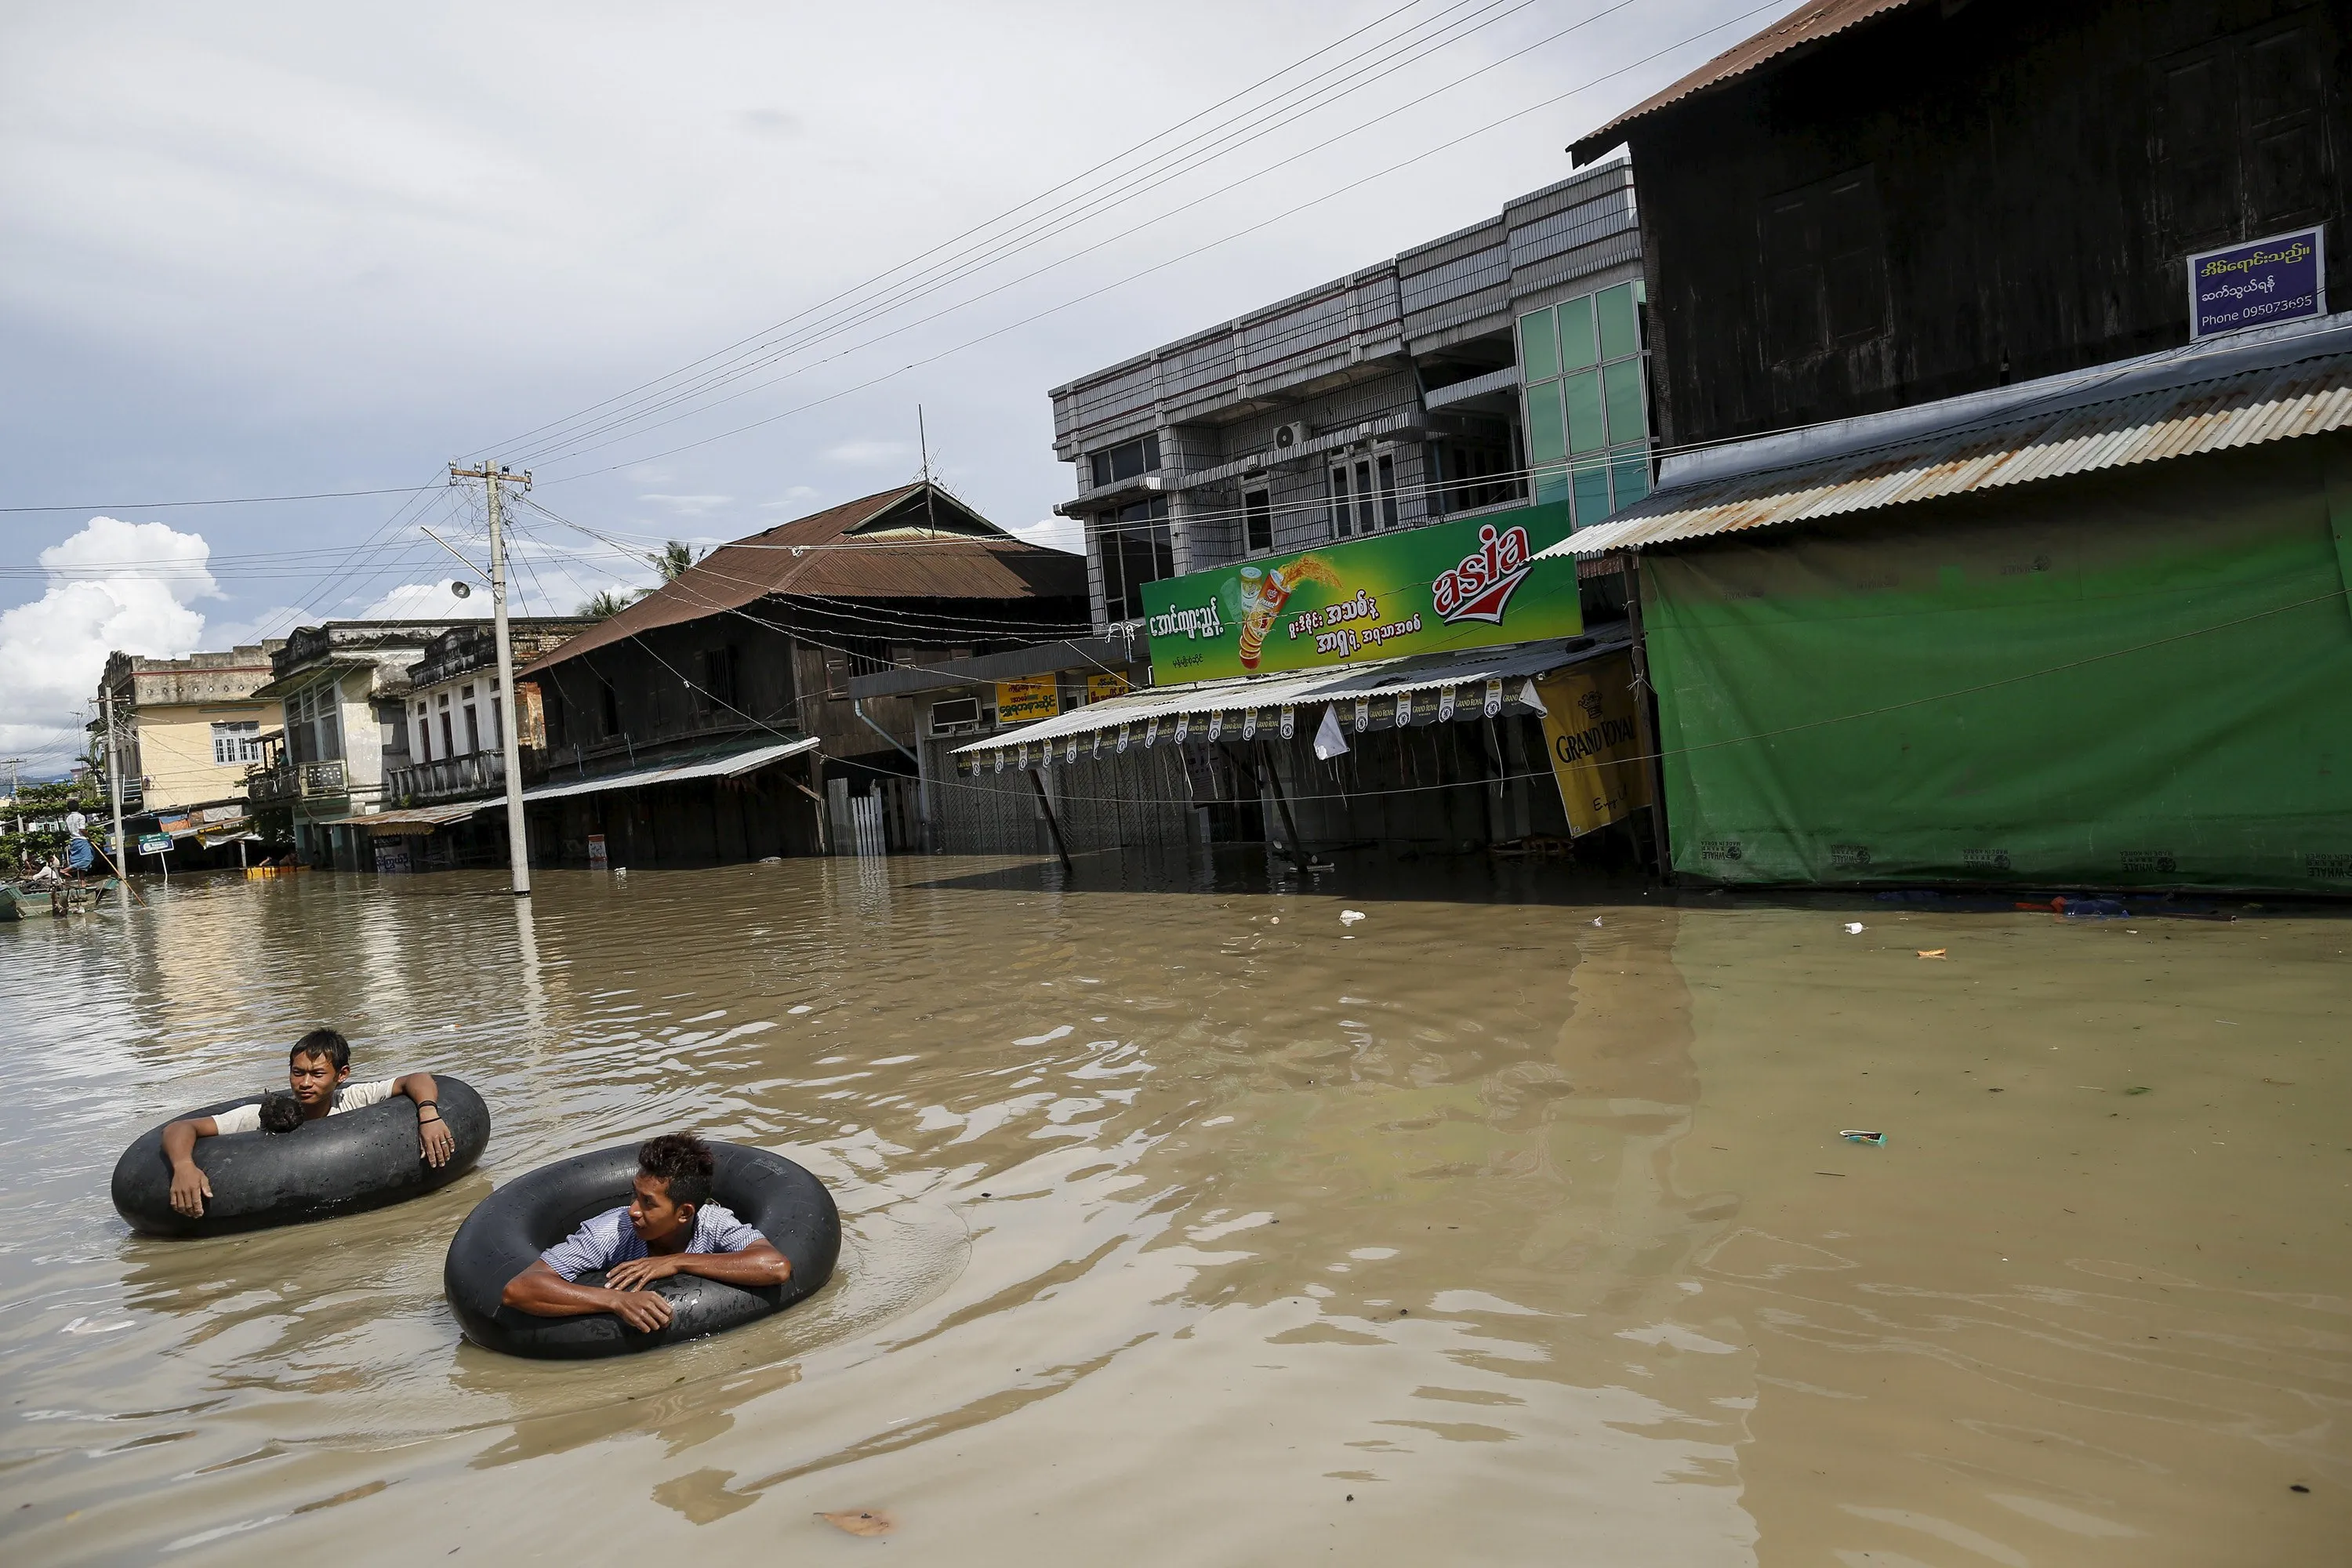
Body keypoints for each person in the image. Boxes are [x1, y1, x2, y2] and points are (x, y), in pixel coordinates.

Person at [500, 1133, 791, 1332]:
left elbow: (775, 1267)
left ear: (685, 1213)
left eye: (648, 1202)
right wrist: (615, 1300)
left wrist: (677, 1262)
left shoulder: (713, 1223)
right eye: (635, 1195)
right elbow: (519, 1289)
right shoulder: (610, 1231)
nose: (633, 1210)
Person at [160, 1029, 456, 1217]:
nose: (304, 1083)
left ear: (341, 1075)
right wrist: (184, 1166)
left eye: (317, 1074)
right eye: (297, 1072)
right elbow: (181, 1128)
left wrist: (428, 1113)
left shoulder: (352, 1099)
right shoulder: (266, 1115)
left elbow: (417, 1079)